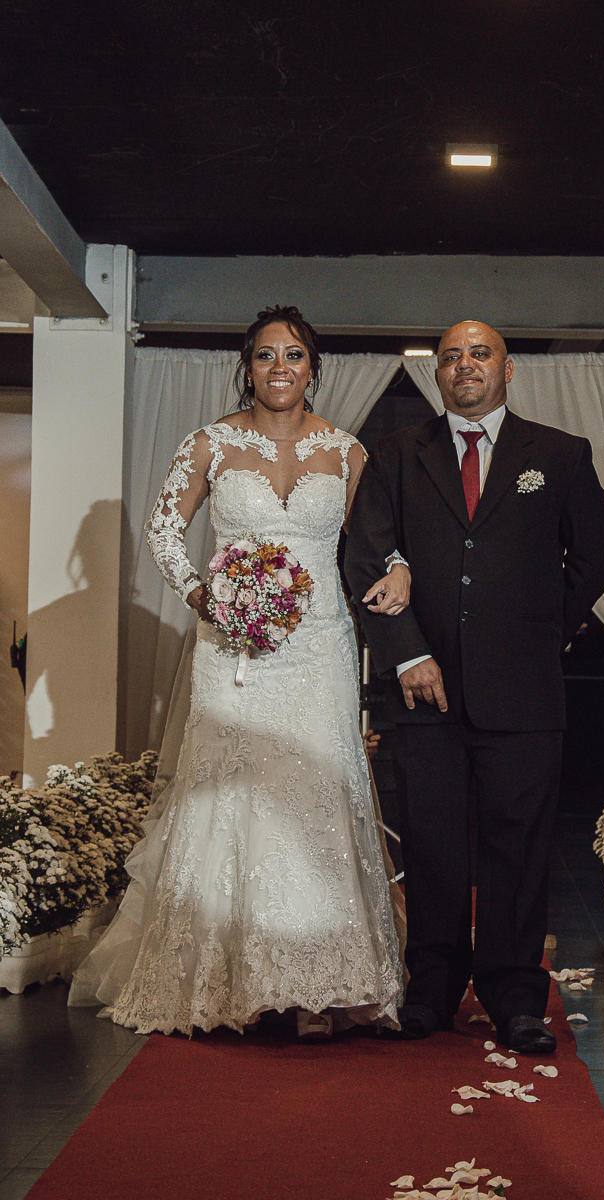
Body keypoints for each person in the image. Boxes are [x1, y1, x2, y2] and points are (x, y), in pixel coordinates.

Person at [69, 306, 407, 1037]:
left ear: (314, 368)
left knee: (315, 788)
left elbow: (378, 540)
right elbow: (164, 529)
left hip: (320, 647)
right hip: (236, 653)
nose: (279, 368)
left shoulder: (347, 452)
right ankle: (233, 977)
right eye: (265, 356)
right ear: (246, 366)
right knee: (235, 795)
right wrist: (204, 597)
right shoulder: (209, 445)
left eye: (293, 356)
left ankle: (322, 978)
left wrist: (402, 567)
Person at [344, 320, 604, 1053]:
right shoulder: (400, 455)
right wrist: (405, 655)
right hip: (423, 692)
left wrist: (540, 631)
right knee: (433, 847)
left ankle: (515, 996)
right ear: (437, 373)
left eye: (480, 353)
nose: (465, 366)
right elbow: (366, 555)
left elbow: (596, 557)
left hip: (524, 694)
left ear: (508, 369)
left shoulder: (558, 455)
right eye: (451, 357)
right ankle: (430, 989)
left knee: (517, 850)